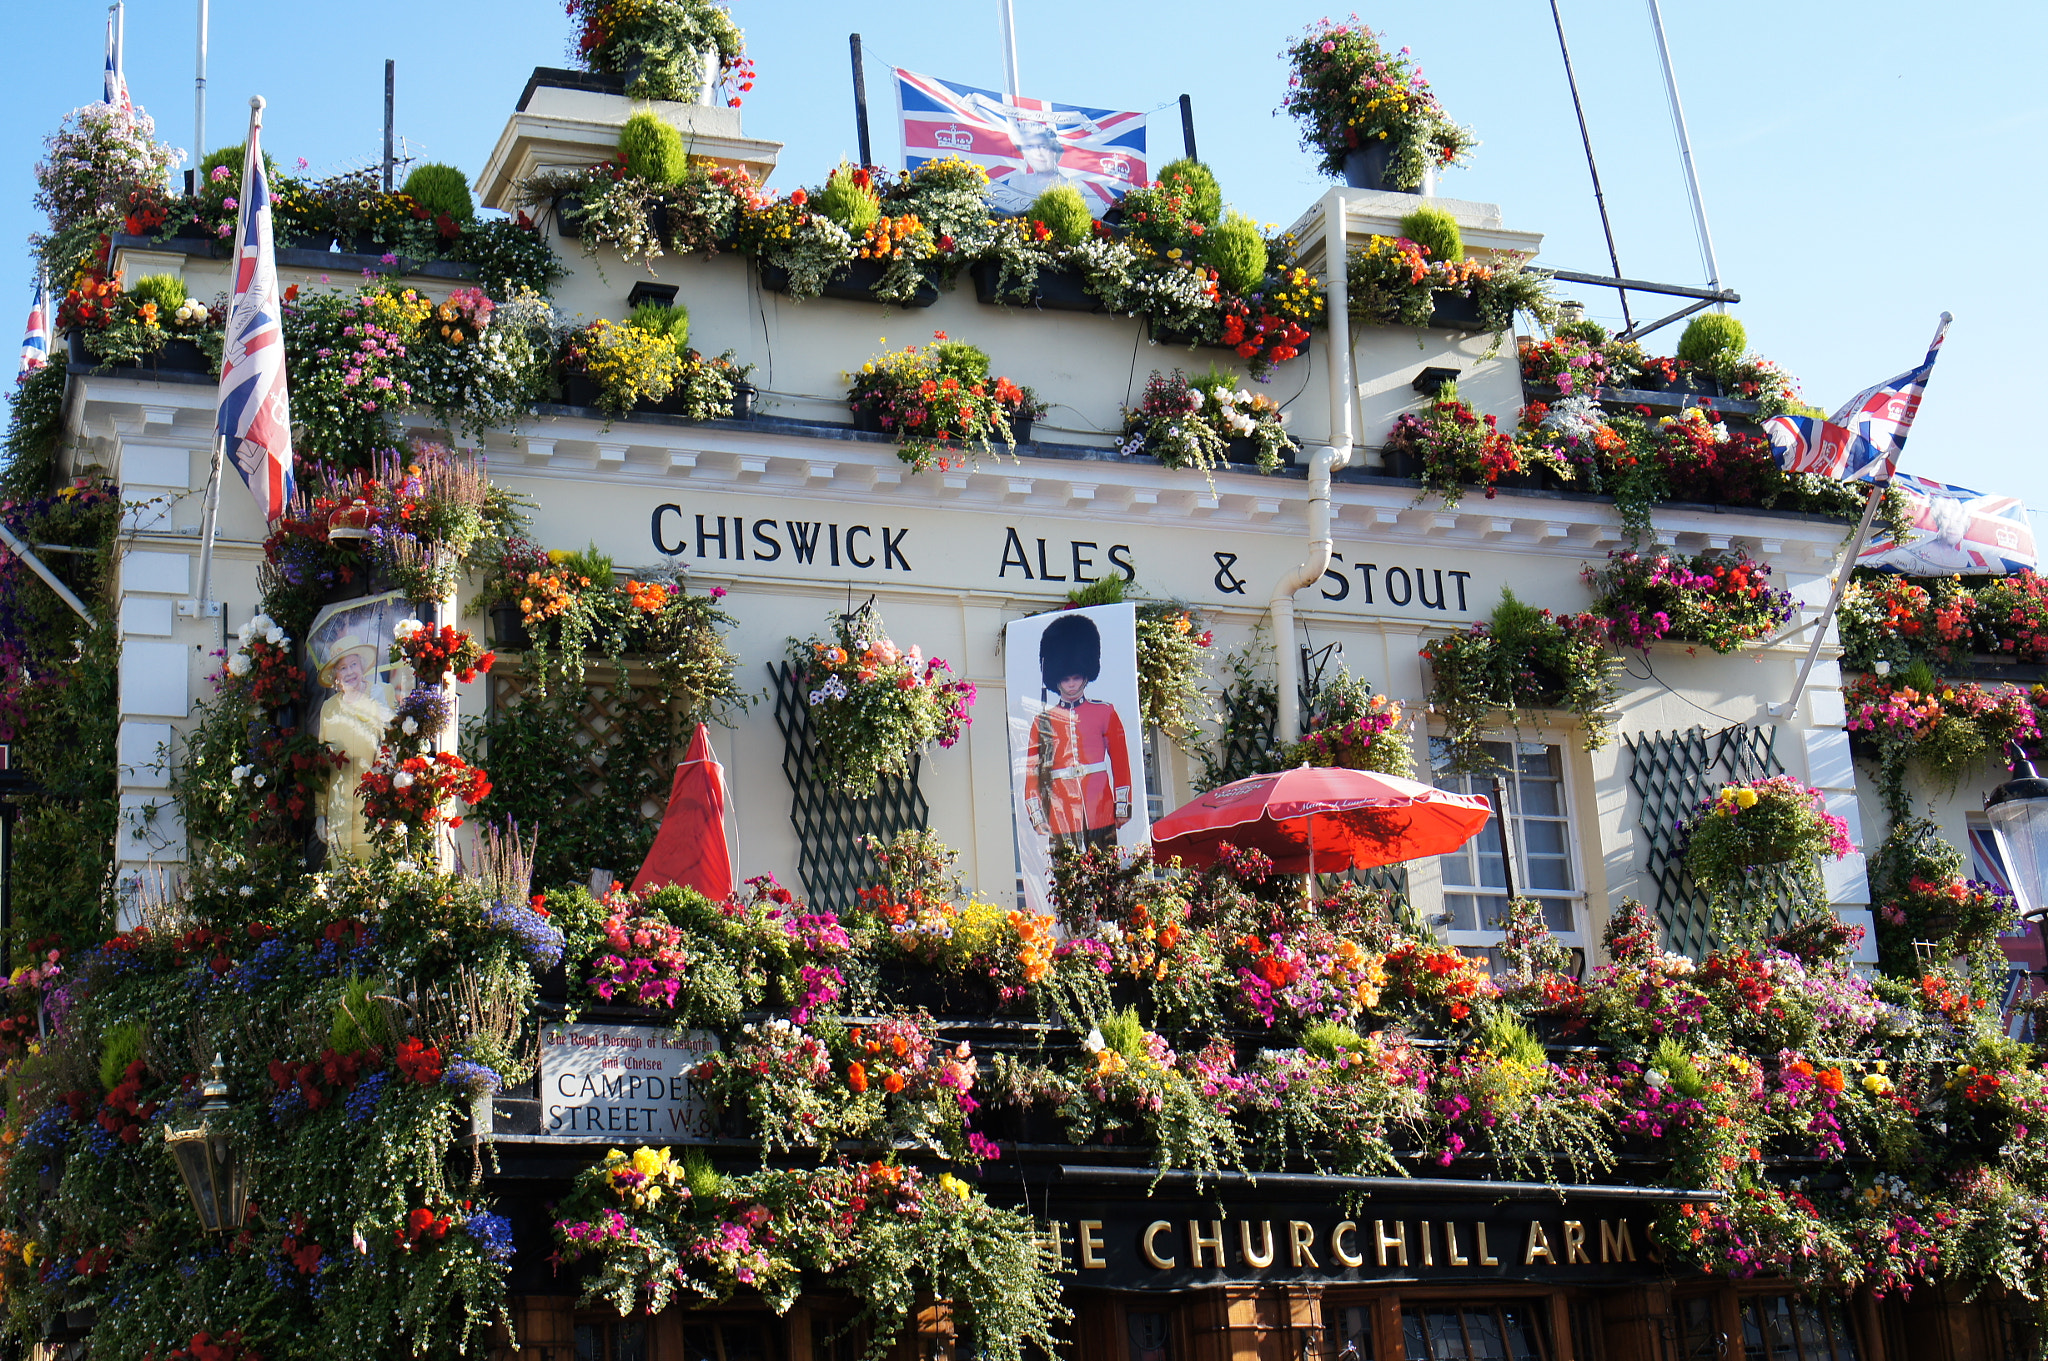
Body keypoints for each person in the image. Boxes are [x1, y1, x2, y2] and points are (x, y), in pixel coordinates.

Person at [1024, 613, 1133, 853]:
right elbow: (1033, 771)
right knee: (1065, 879)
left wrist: (1122, 805)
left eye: (1076, 677)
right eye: (1066, 679)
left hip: (1100, 804)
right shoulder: (1043, 721)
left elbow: (1121, 762)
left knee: (1105, 873)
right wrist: (1037, 814)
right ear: (1056, 680)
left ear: (1086, 676)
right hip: (1061, 807)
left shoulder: (1104, 712)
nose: (1072, 684)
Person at [312, 634, 393, 861]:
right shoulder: (329, 708)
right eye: (342, 668)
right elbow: (323, 763)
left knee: (373, 873)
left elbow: (395, 743)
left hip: (373, 802)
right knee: (342, 875)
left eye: (354, 664)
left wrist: (383, 709)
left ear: (363, 666)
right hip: (338, 804)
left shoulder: (381, 694)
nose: (349, 672)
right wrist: (320, 813)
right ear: (335, 676)